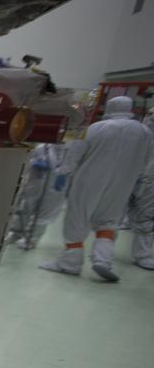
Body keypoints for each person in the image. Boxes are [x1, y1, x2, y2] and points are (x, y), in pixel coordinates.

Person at [40, 96, 153, 281]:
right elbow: (148, 160)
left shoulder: (97, 128)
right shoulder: (144, 132)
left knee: (78, 217)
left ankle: (70, 263)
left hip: (89, 181)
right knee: (108, 221)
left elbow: (75, 151)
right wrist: (139, 179)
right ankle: (103, 260)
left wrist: (63, 172)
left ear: (110, 107)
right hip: (123, 183)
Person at [8, 142, 67, 249]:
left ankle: (31, 240)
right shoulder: (42, 147)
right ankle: (16, 234)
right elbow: (27, 160)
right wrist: (34, 163)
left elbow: (73, 166)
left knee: (45, 215)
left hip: (55, 188)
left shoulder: (71, 151)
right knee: (25, 209)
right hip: (35, 184)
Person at [129, 112, 154, 271]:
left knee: (145, 218)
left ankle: (142, 255)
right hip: (128, 177)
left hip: (148, 182)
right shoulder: (139, 134)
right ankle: (102, 252)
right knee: (111, 216)